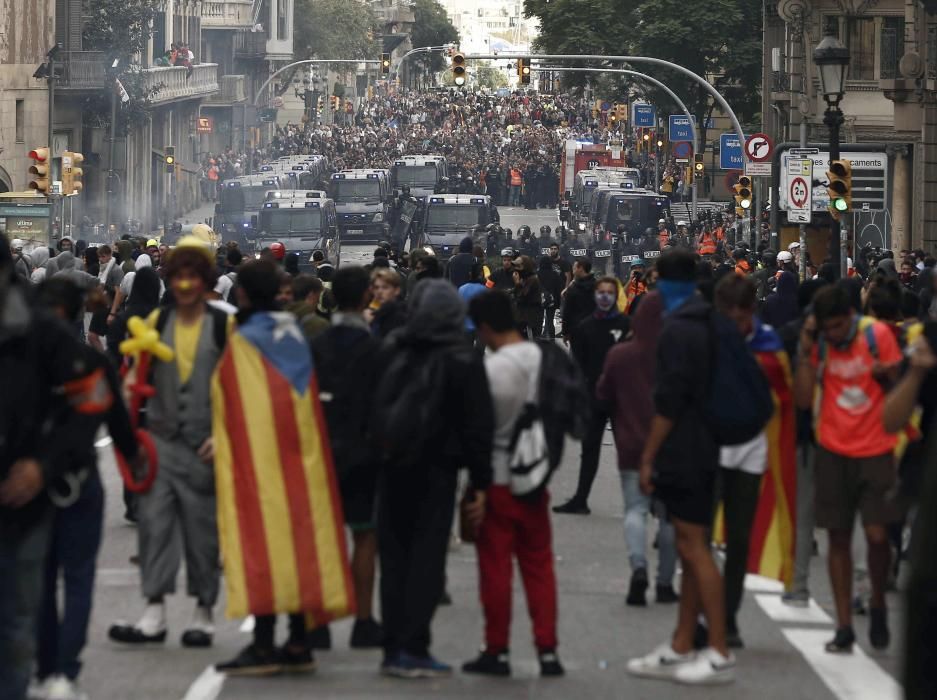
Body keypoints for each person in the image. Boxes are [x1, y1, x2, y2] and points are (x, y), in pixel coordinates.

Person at [213, 260, 353, 676]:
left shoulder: (246, 339)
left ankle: (262, 645)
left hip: (262, 460)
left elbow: (241, 403)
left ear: (241, 295)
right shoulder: (291, 332)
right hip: (304, 455)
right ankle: (298, 641)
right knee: (300, 546)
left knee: (261, 548)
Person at [0, 234, 122, 700]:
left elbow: (88, 405)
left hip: (25, 494)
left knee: (15, 612)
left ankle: (43, 675)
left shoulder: (41, 333)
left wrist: (42, 464)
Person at [108, 238, 231, 650]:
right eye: (177, 276)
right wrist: (130, 426)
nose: (184, 284)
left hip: (203, 445)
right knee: (154, 527)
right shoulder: (157, 323)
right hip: (159, 443)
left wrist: (222, 435)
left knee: (202, 532)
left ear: (205, 281)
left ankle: (202, 614)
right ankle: (154, 612)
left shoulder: (222, 325)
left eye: (192, 277)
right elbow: (134, 376)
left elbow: (239, 389)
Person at [371, 280, 493, 679]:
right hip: (438, 468)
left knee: (393, 559)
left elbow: (371, 406)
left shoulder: (392, 347)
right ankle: (415, 644)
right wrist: (480, 482)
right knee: (426, 557)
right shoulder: (463, 359)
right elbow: (478, 428)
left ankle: (392, 644)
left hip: (391, 466)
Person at [628, 248, 735, 685]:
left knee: (694, 549)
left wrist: (649, 455)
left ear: (662, 281)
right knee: (693, 549)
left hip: (685, 449)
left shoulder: (679, 328)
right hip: (709, 445)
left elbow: (670, 400)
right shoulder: (711, 320)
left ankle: (719, 650)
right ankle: (682, 642)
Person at [793, 283, 903, 653]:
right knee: (837, 537)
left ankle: (876, 601)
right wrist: (807, 351)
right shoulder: (820, 343)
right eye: (827, 329)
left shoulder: (879, 336)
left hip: (876, 449)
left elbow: (897, 386)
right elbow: (805, 399)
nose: (834, 335)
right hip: (832, 448)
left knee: (876, 535)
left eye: (839, 327)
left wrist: (887, 373)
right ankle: (843, 625)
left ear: (852, 318)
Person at [461, 291, 565, 678]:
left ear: (486, 327)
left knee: (496, 569)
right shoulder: (544, 359)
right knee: (539, 566)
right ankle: (548, 649)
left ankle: (497, 648)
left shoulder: (491, 372)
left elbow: (478, 432)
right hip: (535, 478)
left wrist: (477, 487)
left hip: (498, 480)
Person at [713, 274, 794, 649]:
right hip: (710, 451)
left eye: (740, 317)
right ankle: (706, 616)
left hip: (751, 452)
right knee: (698, 540)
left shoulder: (768, 346)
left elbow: (785, 405)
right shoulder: (706, 339)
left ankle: (727, 618)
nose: (736, 324)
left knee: (738, 539)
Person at [309, 267, 385, 652]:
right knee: (364, 536)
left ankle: (318, 624)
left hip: (321, 452)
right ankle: (364, 621)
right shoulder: (375, 349)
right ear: (365, 299)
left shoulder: (316, 346)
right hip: (364, 454)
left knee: (323, 536)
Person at [596, 291, 678, 606]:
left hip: (630, 445)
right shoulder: (675, 355)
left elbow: (602, 395)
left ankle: (638, 567)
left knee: (635, 509)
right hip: (670, 447)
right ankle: (666, 582)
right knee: (669, 517)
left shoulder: (620, 355)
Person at [554, 277, 629, 515]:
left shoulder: (627, 325)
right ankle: (580, 498)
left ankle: (635, 502)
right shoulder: (585, 327)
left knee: (627, 452)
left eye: (610, 292)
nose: (605, 296)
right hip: (594, 398)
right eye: (602, 292)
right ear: (596, 296)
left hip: (620, 399)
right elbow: (580, 365)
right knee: (589, 450)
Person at [560, 259, 596, 345]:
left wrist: (565, 332)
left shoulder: (573, 289)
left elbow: (567, 312)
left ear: (581, 268)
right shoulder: (597, 285)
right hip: (594, 329)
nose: (573, 269)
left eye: (574, 267)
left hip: (577, 331)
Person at [288, 274, 329, 341]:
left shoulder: (279, 315)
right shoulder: (319, 325)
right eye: (318, 297)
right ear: (311, 296)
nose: (318, 302)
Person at [369, 268, 407, 339]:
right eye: (376, 288)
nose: (379, 291)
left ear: (396, 290)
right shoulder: (373, 309)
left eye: (385, 287)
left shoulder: (400, 317)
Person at [511, 255, 543, 339]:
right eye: (515, 266)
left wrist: (517, 283)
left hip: (530, 320)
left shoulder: (532, 279)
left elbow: (523, 296)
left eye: (519, 266)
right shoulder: (523, 279)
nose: (516, 269)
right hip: (521, 318)